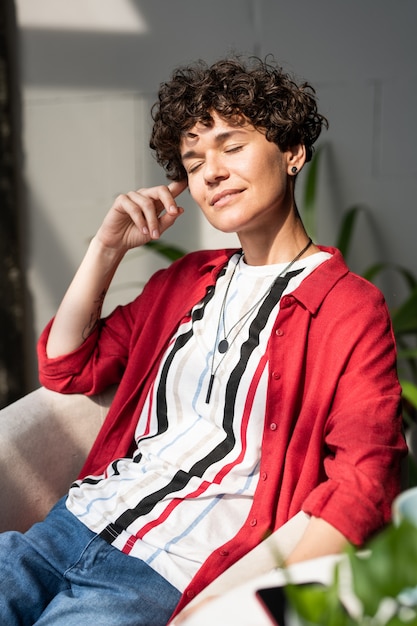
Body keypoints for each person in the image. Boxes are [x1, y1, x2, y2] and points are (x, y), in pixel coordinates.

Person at [0, 55, 406, 626]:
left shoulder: (347, 306)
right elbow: (67, 368)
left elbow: (367, 478)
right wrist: (107, 247)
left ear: (292, 153)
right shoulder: (183, 280)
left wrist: (244, 599)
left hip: (158, 576)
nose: (210, 171)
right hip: (62, 530)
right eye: (194, 159)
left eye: (232, 146)